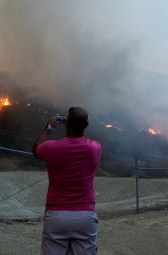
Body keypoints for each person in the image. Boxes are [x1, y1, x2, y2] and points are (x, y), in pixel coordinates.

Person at [32, 106, 102, 255]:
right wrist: (77, 124)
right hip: (85, 216)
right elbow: (83, 136)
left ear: (67, 122)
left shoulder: (52, 147)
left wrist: (49, 126)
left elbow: (36, 149)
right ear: (86, 125)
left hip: (57, 216)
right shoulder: (95, 148)